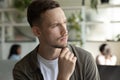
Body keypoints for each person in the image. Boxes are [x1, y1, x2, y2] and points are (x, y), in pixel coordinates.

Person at [13, 0, 100, 80]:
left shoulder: (84, 60)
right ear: (37, 31)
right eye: (55, 25)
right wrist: (63, 76)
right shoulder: (22, 70)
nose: (64, 31)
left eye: (64, 22)